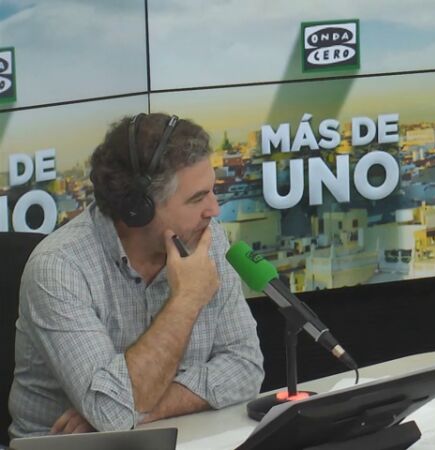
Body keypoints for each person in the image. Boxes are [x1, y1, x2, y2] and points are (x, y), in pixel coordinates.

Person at [9, 113, 264, 438]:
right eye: (198, 198)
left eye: (212, 191)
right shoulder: (58, 268)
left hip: (182, 438)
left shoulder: (205, 238)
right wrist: (187, 300)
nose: (214, 209)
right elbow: (111, 412)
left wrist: (143, 410)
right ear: (138, 209)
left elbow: (246, 366)